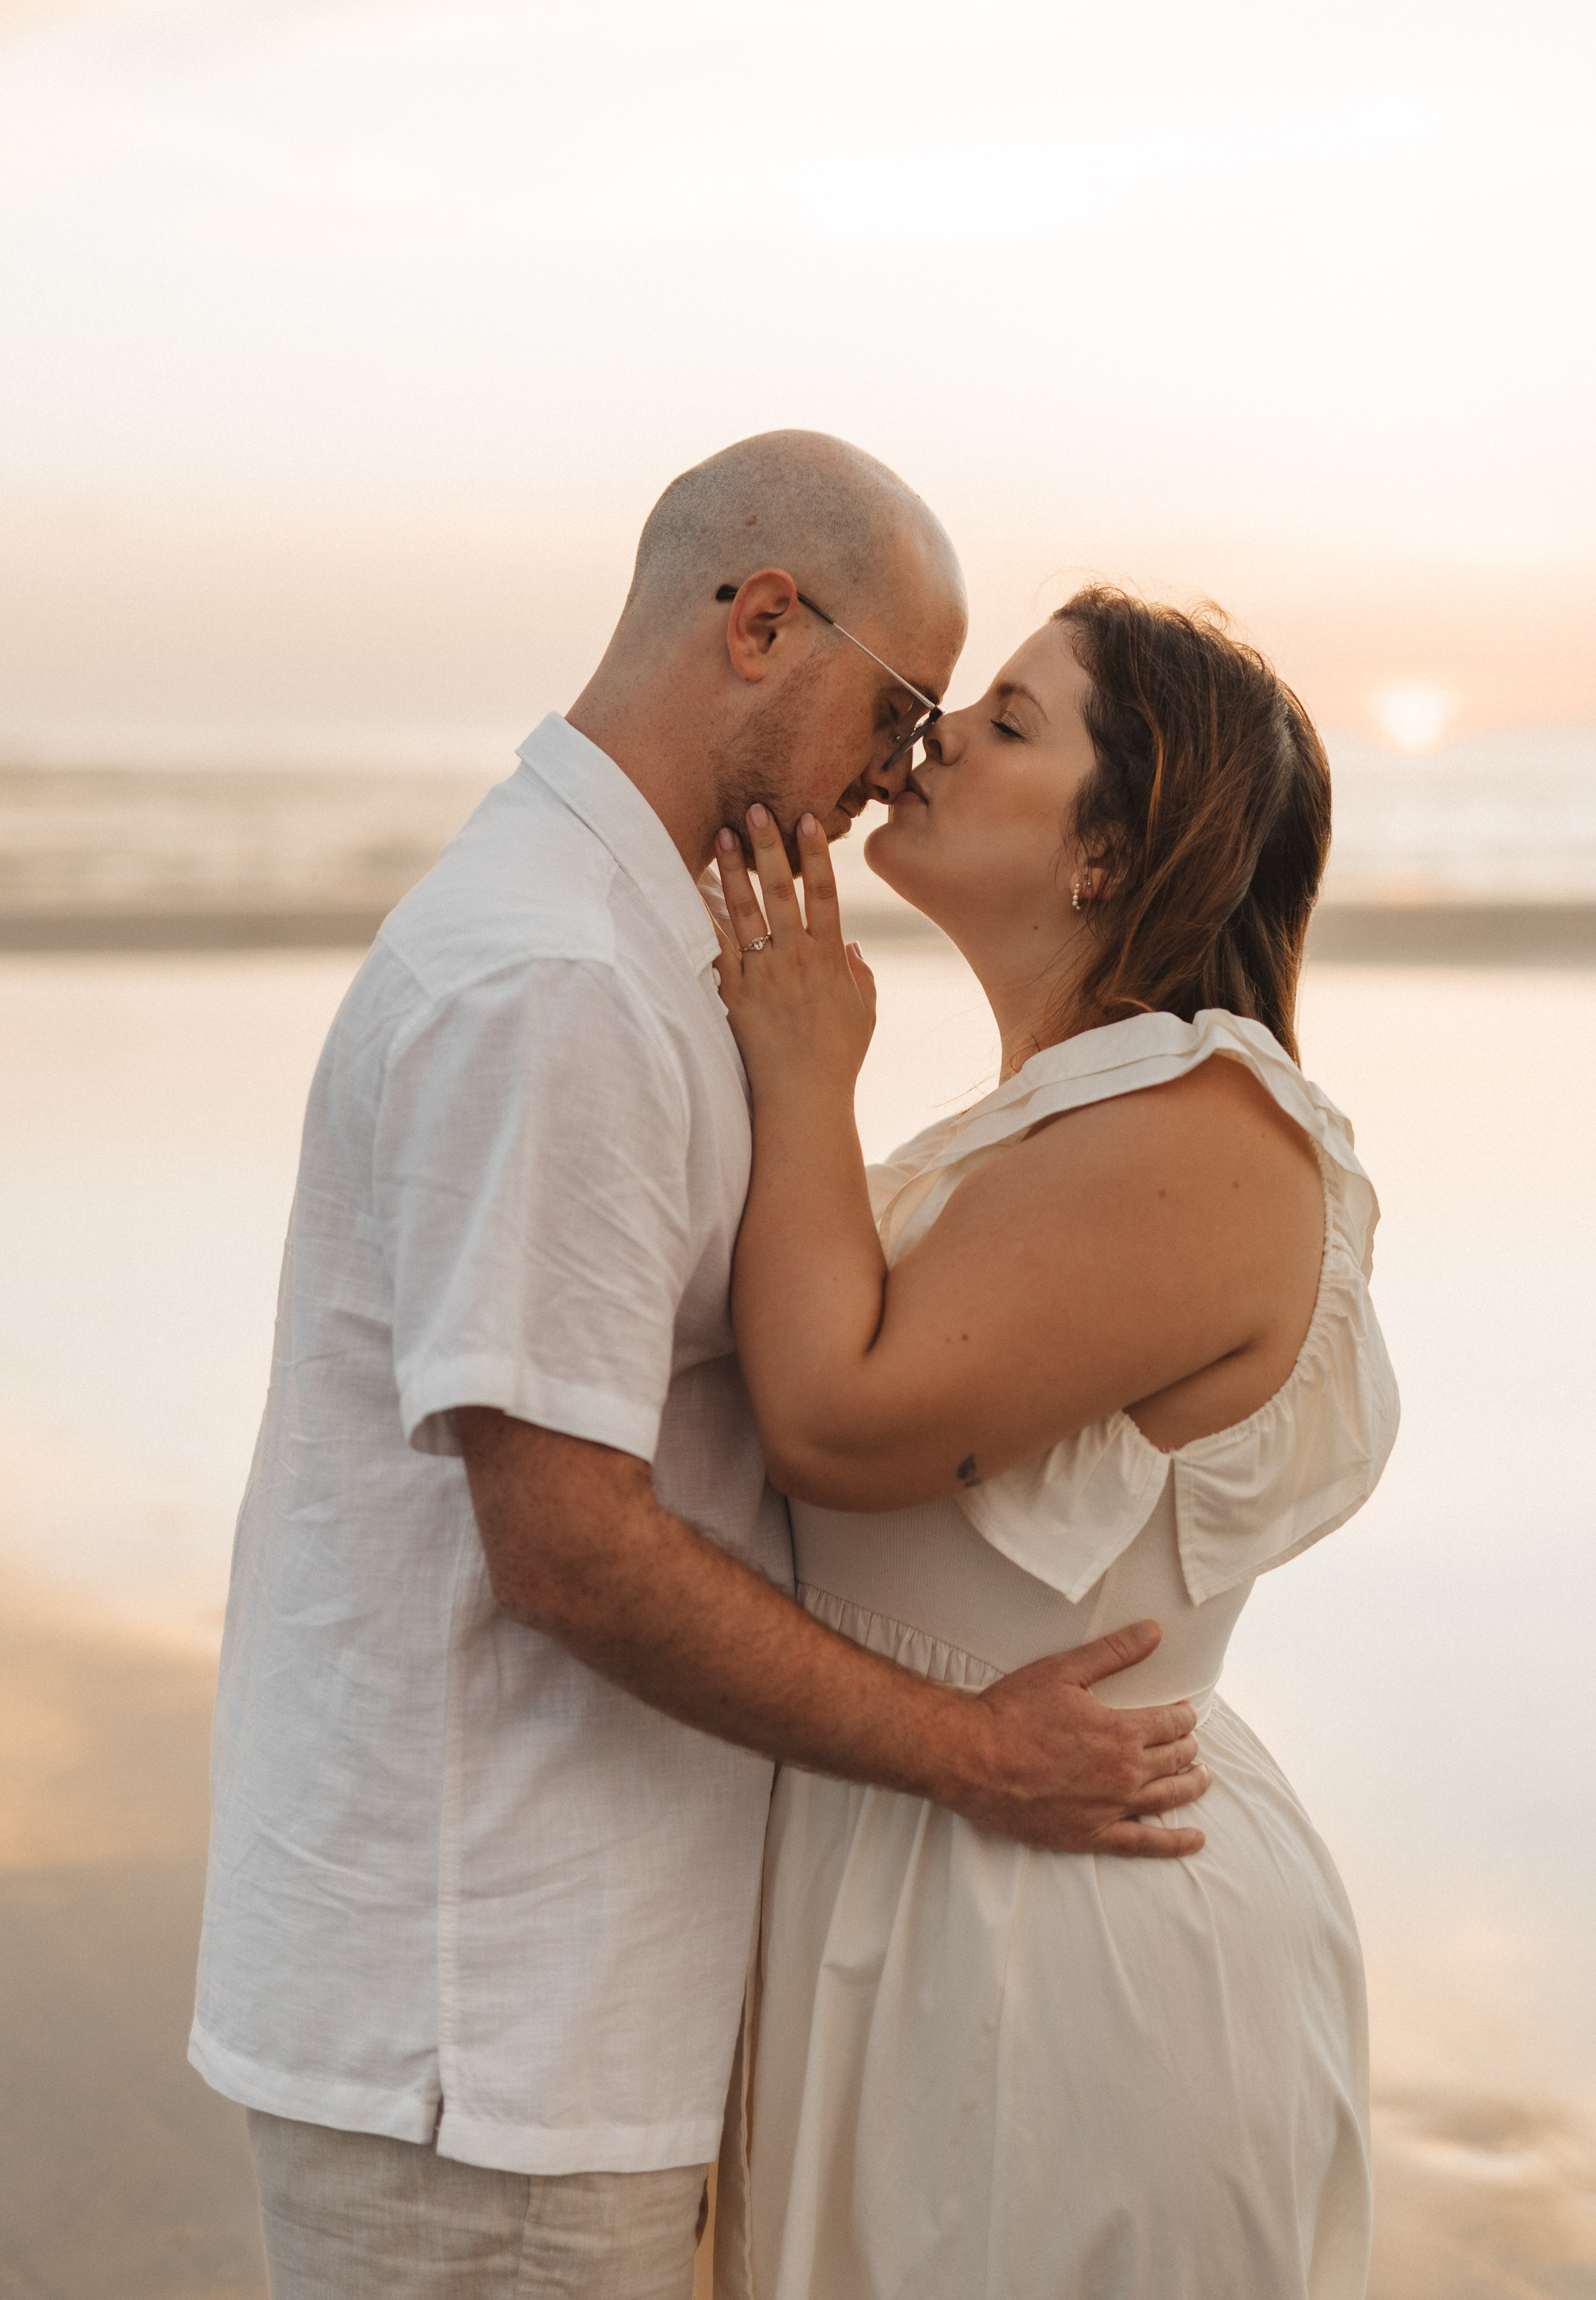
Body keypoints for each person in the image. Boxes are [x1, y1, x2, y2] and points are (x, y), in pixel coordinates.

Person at [189, 435, 1212, 2300]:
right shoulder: (559, 984)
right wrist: (978, 1754)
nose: (901, 771)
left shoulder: (633, 948)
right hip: (486, 2046)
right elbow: (568, 1545)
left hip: (538, 2019)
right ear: (761, 625)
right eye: (899, 709)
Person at [707, 589, 1400, 2300]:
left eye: (1008, 720)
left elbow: (835, 1423)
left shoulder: (1206, 1125)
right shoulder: (1060, 1122)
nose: (929, 735)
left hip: (1056, 1922)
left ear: (1112, 850)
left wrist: (806, 1070)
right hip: (933, 1850)